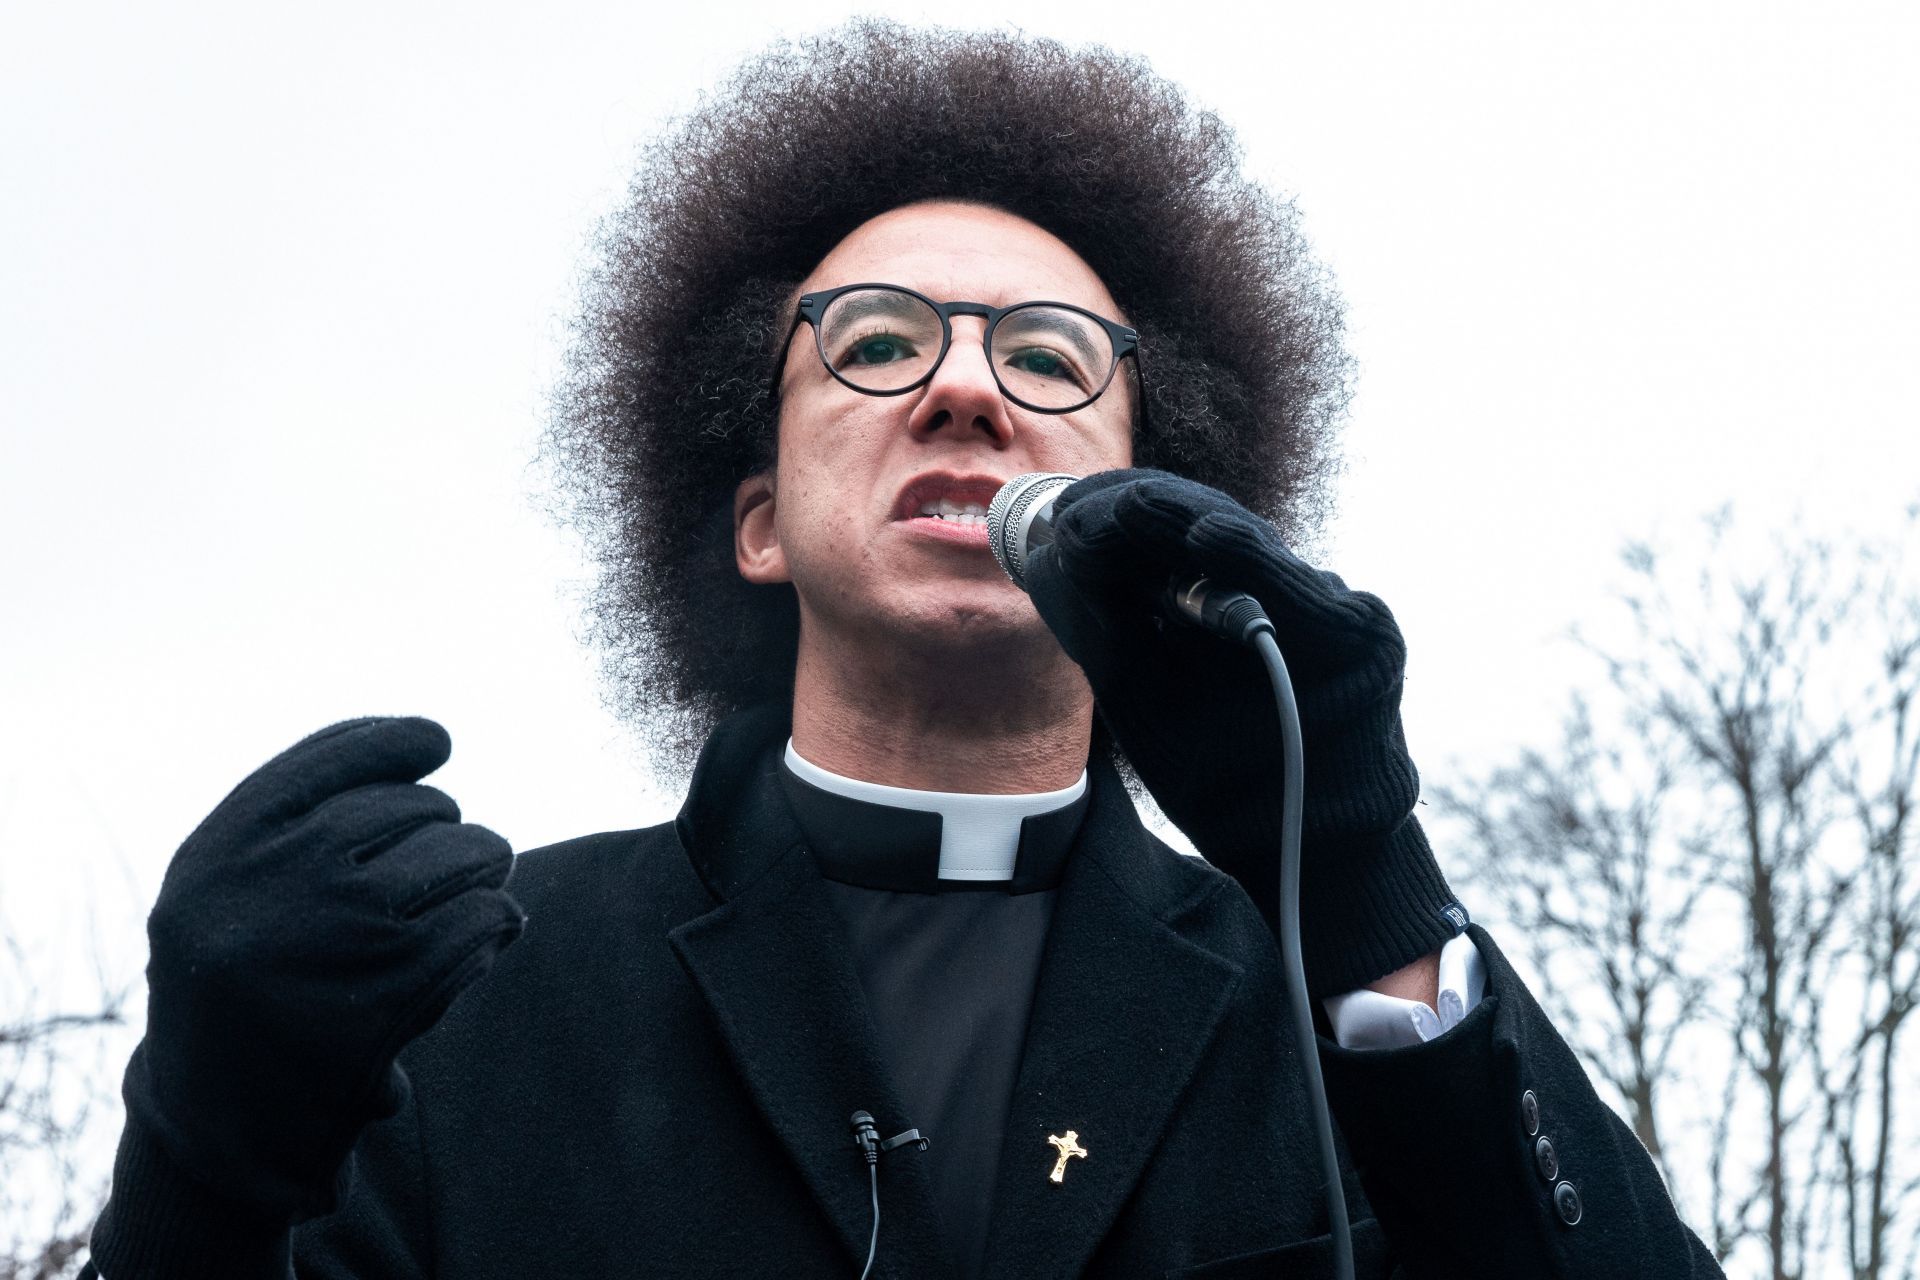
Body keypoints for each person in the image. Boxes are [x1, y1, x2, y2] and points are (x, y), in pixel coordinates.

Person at [80, 21, 1724, 1279]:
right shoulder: (473, 996)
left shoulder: (1329, 1027)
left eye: (1051, 358)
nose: (965, 389)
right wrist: (202, 1165)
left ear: (1166, 492)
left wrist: (1365, 886)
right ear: (756, 524)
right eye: (872, 344)